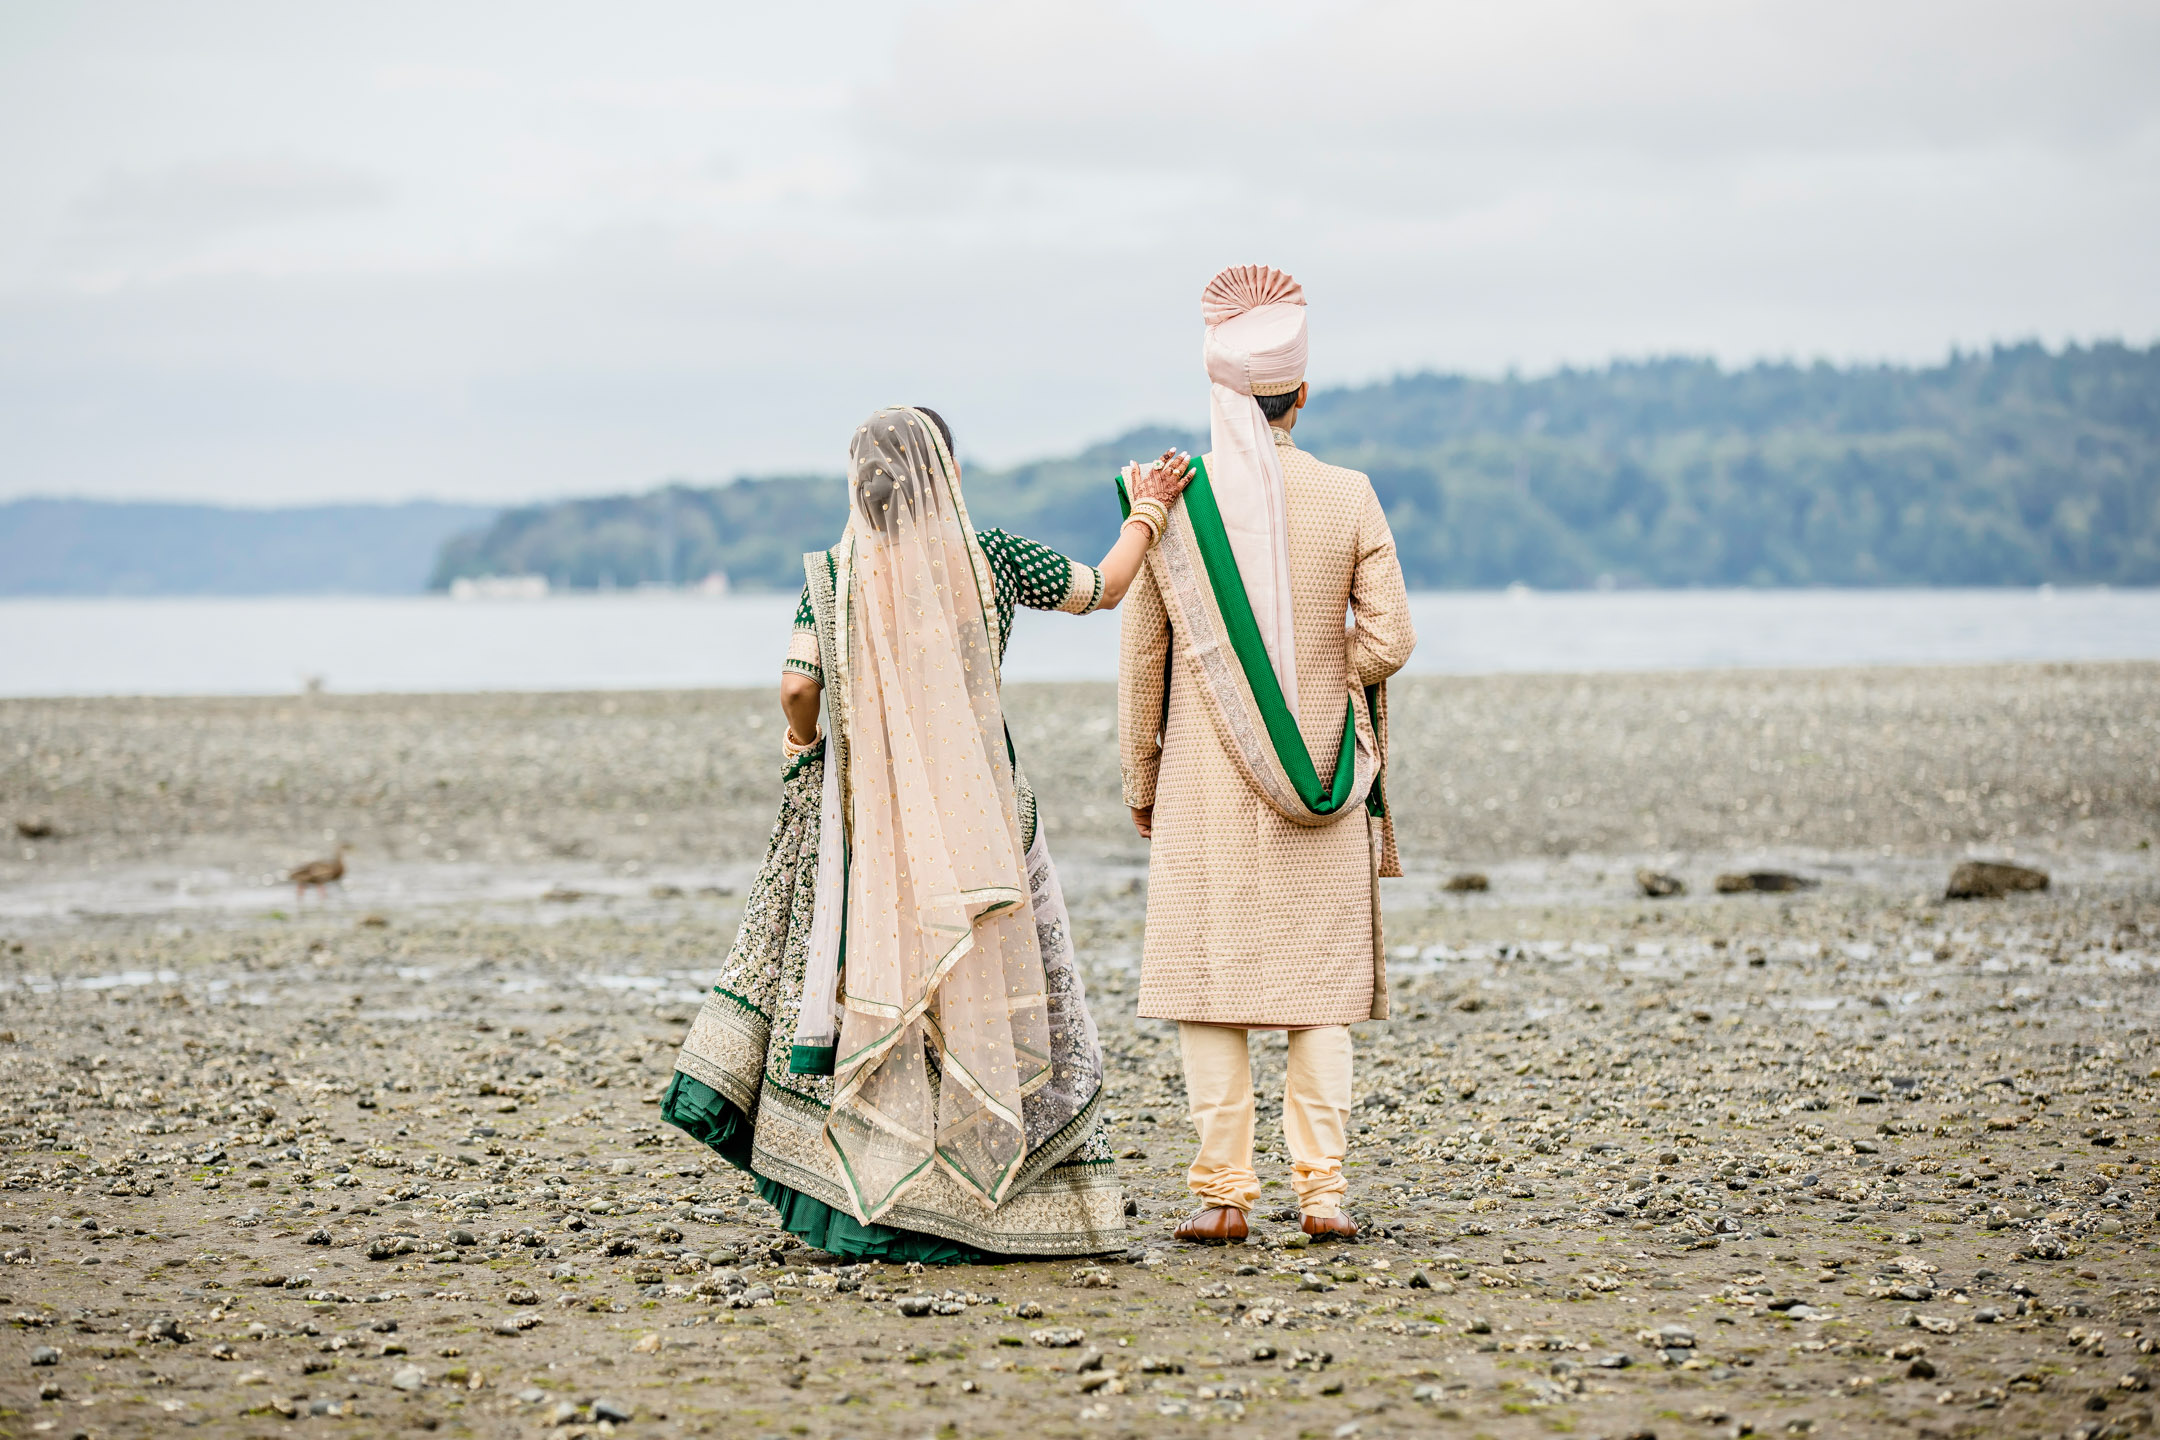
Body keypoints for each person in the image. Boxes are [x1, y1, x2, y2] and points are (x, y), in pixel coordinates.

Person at [663, 404, 1190, 1262]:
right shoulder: (991, 559)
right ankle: (1002, 1199)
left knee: (892, 997)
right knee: (988, 998)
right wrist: (1150, 510)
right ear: (946, 473)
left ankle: (876, 1198)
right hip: (985, 815)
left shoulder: (834, 576)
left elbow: (798, 687)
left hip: (877, 826)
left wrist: (805, 746)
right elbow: (1104, 588)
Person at [1119, 266, 1416, 1244]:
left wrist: (1140, 773)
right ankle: (1322, 1195)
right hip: (1323, 767)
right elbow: (1393, 638)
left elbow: (1146, 654)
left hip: (1203, 777)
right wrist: (1327, 674)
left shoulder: (1176, 500)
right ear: (1302, 393)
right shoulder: (1348, 494)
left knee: (1209, 988)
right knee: (1317, 990)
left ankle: (1222, 1197)